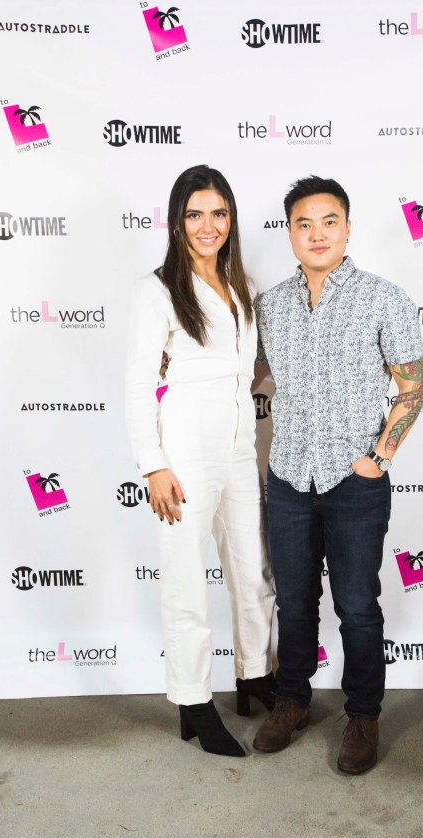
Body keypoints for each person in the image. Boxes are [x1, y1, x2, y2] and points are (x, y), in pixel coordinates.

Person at [252, 175, 423, 774]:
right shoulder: (269, 305)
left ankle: (363, 715)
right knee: (295, 602)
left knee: (357, 605)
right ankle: (292, 701)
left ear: (348, 228)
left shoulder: (385, 298)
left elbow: (412, 386)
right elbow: (244, 374)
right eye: (304, 224)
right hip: (289, 479)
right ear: (290, 234)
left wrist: (378, 458)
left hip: (355, 483)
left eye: (329, 221)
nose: (317, 233)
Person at [125, 165, 276, 758]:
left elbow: (251, 369)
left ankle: (254, 674)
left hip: (241, 450)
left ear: (231, 218)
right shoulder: (157, 289)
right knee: (187, 579)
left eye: (218, 213)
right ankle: (193, 700)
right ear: (176, 220)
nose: (208, 225)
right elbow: (138, 386)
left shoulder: (245, 286)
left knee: (251, 567)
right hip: (184, 453)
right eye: (195, 214)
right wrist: (153, 465)